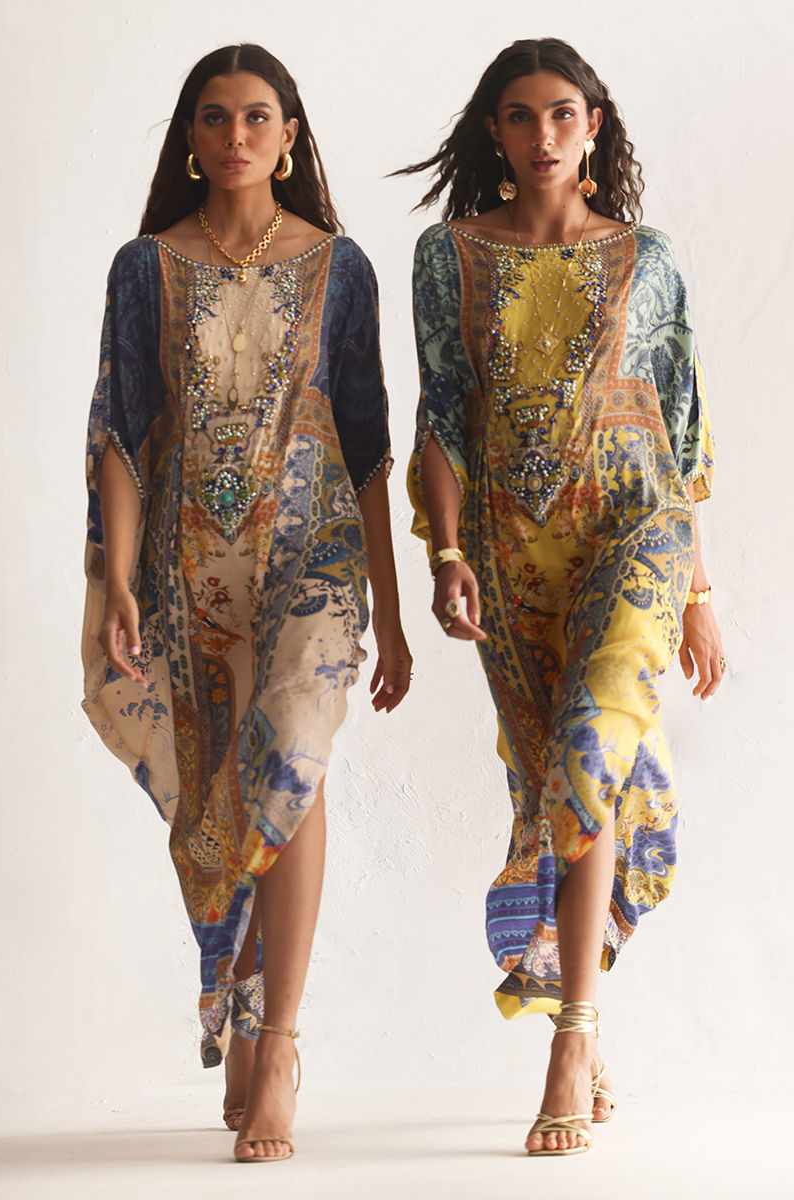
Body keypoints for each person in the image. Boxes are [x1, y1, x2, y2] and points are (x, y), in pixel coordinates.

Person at [82, 43, 411, 1164]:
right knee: (221, 793)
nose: (236, 137)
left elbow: (368, 447)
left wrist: (391, 610)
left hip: (311, 562)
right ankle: (243, 987)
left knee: (292, 759)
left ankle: (278, 1044)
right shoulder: (145, 267)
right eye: (215, 118)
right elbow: (122, 432)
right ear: (190, 138)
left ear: (289, 136)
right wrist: (119, 580)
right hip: (187, 570)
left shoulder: (340, 267)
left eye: (257, 117)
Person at [399, 37, 723, 1157]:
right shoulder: (448, 256)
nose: (542, 135)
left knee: (589, 753)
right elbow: (442, 413)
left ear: (593, 128)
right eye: (520, 115)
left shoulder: (648, 256)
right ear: (494, 131)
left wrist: (697, 590)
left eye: (562, 115)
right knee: (560, 788)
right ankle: (584, 1013)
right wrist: (446, 552)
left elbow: (680, 423)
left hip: (636, 533)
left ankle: (569, 1044)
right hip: (512, 555)